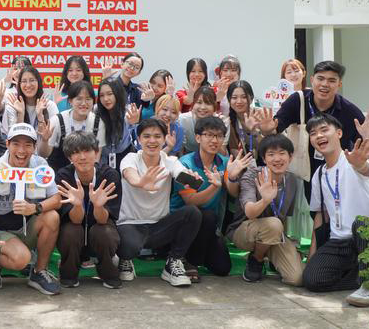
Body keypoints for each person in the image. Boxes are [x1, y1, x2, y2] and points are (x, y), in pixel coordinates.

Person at [259, 61, 369, 200]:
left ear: (339, 84)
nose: (325, 84)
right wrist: (266, 130)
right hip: (305, 174)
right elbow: (274, 130)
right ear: (312, 80)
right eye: (320, 78)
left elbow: (367, 150)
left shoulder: (349, 111)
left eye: (331, 80)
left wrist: (368, 138)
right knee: (314, 211)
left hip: (339, 176)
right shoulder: (298, 100)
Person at [302, 114, 369, 307]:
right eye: (313, 133)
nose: (319, 135)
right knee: (312, 280)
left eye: (324, 130)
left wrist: (362, 157)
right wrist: (313, 256)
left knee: (362, 223)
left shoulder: (353, 159)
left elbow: (364, 168)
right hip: (340, 241)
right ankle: (366, 277)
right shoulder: (319, 174)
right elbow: (320, 215)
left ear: (339, 133)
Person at [0, 123, 62, 295]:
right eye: (16, 144)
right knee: (21, 259)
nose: (21, 150)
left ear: (34, 147)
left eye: (28, 145)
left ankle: (39, 271)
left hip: (26, 224)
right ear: (7, 145)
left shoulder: (40, 165)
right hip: (0, 229)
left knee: (52, 217)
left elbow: (57, 199)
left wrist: (35, 208)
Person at [116, 118, 202, 288]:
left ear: (164, 139)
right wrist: (141, 182)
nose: (152, 141)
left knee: (192, 213)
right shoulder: (131, 158)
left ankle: (173, 262)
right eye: (146, 136)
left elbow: (180, 172)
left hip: (159, 226)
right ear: (139, 139)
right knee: (129, 247)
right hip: (131, 224)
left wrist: (191, 178)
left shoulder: (170, 161)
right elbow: (130, 175)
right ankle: (125, 259)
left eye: (157, 136)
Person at [174, 116, 253, 282]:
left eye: (219, 136)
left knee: (223, 268)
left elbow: (233, 193)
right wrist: (214, 187)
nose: (214, 140)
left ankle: (195, 253)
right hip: (183, 224)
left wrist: (232, 177)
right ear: (198, 138)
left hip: (208, 226)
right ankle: (190, 262)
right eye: (209, 135)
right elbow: (191, 201)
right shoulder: (185, 163)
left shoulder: (224, 162)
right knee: (205, 214)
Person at [225, 134, 304, 286]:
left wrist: (287, 245)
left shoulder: (292, 180)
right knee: (274, 224)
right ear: (264, 158)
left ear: (290, 157)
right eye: (271, 154)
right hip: (244, 231)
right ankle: (257, 259)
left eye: (282, 153)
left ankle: (272, 255)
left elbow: (284, 218)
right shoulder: (252, 175)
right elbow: (250, 212)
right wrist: (265, 200)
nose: (277, 159)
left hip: (274, 233)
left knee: (297, 278)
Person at [55, 131, 122, 289]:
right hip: (74, 230)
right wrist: (78, 204)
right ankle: (68, 274)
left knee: (103, 232)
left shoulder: (109, 175)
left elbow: (103, 219)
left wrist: (98, 205)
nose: (82, 157)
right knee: (71, 231)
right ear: (69, 157)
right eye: (76, 152)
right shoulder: (64, 176)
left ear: (96, 152)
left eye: (87, 151)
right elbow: (76, 220)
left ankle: (108, 272)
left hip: (100, 227)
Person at [37, 81, 106, 171]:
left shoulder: (98, 122)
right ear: (70, 101)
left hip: (87, 172)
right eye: (79, 99)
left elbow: (96, 158)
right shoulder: (57, 120)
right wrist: (45, 140)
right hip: (59, 172)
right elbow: (44, 154)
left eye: (88, 99)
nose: (84, 103)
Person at [96, 76, 139, 171]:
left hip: (125, 157)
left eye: (110, 94)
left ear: (117, 93)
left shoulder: (128, 111)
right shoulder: (95, 112)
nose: (105, 99)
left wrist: (133, 123)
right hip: (102, 159)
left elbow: (137, 137)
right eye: (102, 95)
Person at [2, 66, 58, 137]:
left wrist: (40, 116)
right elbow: (13, 137)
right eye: (24, 81)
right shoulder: (13, 106)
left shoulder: (50, 105)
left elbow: (51, 138)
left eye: (32, 80)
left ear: (39, 82)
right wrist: (20, 114)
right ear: (19, 84)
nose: (28, 85)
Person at [178, 86, 230, 154]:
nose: (203, 107)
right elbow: (180, 149)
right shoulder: (183, 120)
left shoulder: (223, 121)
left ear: (214, 106)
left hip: (215, 156)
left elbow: (222, 152)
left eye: (208, 103)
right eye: (199, 102)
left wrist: (215, 127)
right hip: (190, 156)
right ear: (193, 104)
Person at [226, 80, 263, 159]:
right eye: (234, 98)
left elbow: (269, 146)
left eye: (244, 97)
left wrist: (253, 131)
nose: (239, 101)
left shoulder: (261, 115)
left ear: (251, 98)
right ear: (229, 100)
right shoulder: (228, 122)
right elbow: (234, 150)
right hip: (243, 164)